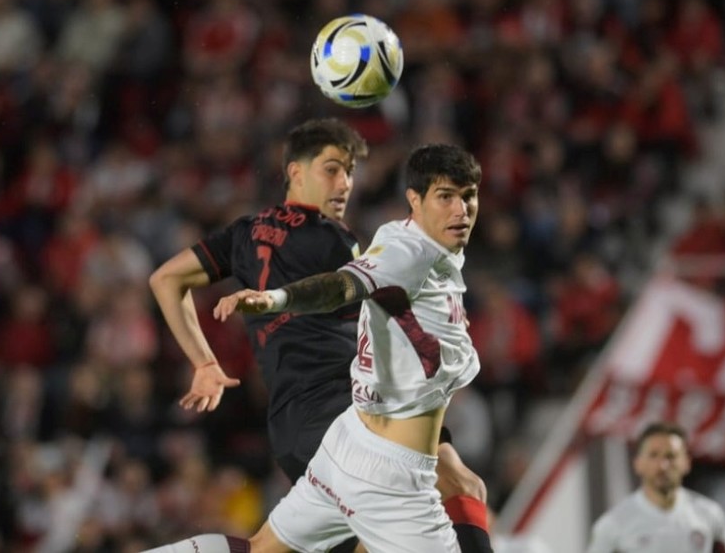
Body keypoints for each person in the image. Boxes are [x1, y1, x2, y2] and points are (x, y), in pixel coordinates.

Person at [148, 142, 488, 552]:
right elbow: (341, 286)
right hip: (390, 477)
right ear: (414, 200)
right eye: (445, 197)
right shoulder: (407, 253)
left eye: (468, 196)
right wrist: (277, 299)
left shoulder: (423, 249)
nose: (461, 210)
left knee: (260, 549)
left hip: (348, 440)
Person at [587, 421, 725, 553]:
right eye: (653, 455)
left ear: (686, 463)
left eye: (671, 456)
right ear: (638, 464)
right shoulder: (614, 523)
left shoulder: (708, 514)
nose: (662, 466)